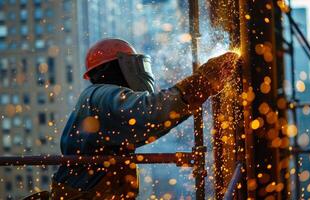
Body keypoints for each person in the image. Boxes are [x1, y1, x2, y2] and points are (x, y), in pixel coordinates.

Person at [50, 38, 241, 199]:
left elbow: (152, 124)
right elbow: (151, 113)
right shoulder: (101, 96)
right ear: (120, 65)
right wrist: (202, 82)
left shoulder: (97, 99)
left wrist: (191, 98)